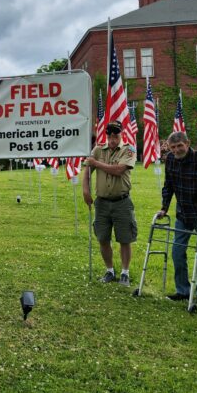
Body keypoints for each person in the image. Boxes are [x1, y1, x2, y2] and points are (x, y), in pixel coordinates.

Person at [157, 131, 197, 303]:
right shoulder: (169, 159)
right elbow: (168, 185)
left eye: (179, 146)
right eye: (173, 147)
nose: (176, 150)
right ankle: (183, 290)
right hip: (182, 213)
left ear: (188, 143)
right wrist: (164, 208)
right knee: (177, 252)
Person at [83, 120, 137, 286]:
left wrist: (96, 163)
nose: (113, 139)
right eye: (110, 136)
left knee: (124, 238)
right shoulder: (98, 149)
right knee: (103, 237)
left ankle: (125, 273)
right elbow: (87, 170)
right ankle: (109, 270)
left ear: (121, 135)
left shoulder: (128, 150)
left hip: (122, 201)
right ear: (106, 135)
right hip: (102, 202)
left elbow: (119, 170)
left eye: (116, 135)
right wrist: (85, 190)